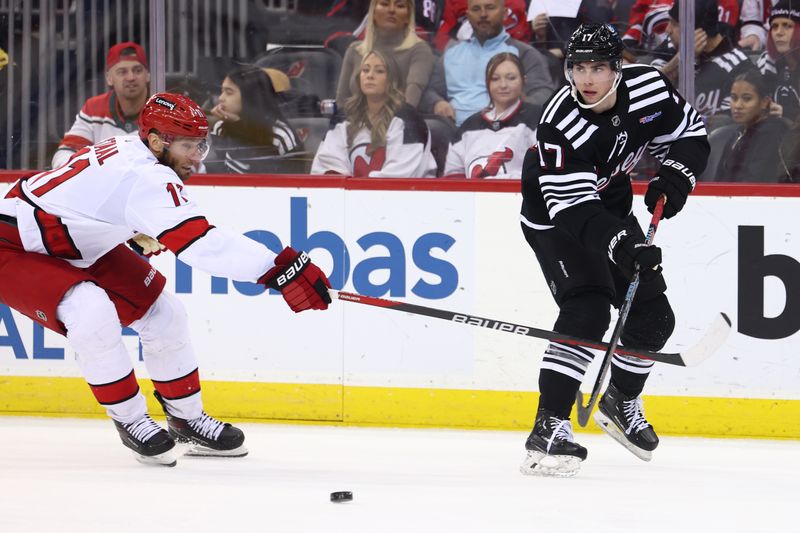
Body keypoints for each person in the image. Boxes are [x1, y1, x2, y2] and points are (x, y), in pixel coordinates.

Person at [0, 93, 331, 466]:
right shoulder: (147, 175)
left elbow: (85, 200)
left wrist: (127, 230)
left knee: (165, 314)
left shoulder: (135, 151)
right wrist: (282, 268)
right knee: (90, 312)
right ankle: (131, 421)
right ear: (156, 141)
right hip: (12, 246)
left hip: (74, 244)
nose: (196, 156)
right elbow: (202, 246)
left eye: (201, 145)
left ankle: (187, 419)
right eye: (188, 145)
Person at [519, 23, 709, 477]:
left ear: (617, 68)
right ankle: (549, 425)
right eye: (578, 67)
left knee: (654, 317)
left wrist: (675, 177)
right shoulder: (558, 122)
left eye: (598, 68)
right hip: (556, 219)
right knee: (588, 311)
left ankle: (621, 398)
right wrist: (623, 244)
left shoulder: (647, 86)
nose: (586, 78)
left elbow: (691, 132)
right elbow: (573, 210)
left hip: (610, 200)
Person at [421, 0, 555, 126]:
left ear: (504, 13)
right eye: (476, 9)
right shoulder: (450, 54)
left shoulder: (524, 53)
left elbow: (543, 94)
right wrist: (437, 103)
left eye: (490, 8)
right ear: (468, 16)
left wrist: (516, 110)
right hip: (454, 130)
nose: (483, 14)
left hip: (506, 130)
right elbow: (430, 90)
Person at [312, 50, 437, 177]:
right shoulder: (343, 118)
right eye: (365, 70)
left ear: (392, 79)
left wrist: (356, 190)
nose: (370, 76)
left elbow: (399, 178)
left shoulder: (409, 121)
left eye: (379, 71)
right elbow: (329, 166)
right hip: (351, 196)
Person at [52, 42, 150, 168]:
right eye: (122, 72)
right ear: (109, 78)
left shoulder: (163, 108)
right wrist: (81, 174)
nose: (131, 77)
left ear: (148, 75)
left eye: (137, 70)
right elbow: (65, 152)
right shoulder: (93, 108)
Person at [443, 52, 539, 179]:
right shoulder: (468, 127)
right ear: (487, 83)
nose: (503, 85)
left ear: (523, 80)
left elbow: (547, 171)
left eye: (511, 78)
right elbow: (453, 177)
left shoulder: (539, 119)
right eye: (495, 79)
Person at [658, 0, 754, 119]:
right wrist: (680, 59)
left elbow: (727, 126)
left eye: (675, 24)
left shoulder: (738, 66)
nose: (668, 30)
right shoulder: (671, 47)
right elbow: (645, 91)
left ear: (698, 32)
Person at [335, 0, 435, 109]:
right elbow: (341, 101)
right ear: (373, 13)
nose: (391, 10)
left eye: (400, 6)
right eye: (384, 4)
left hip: (399, 122)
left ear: (408, 16)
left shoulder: (419, 50)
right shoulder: (355, 50)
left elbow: (409, 104)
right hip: (353, 122)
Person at [206, 66, 304, 174]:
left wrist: (239, 127)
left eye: (229, 93)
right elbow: (214, 172)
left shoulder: (281, 135)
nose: (221, 98)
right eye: (222, 91)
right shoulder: (220, 127)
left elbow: (282, 180)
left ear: (250, 97)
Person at [716, 70, 790, 181]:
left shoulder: (772, 133)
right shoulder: (738, 132)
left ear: (765, 102)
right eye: (734, 98)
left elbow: (755, 181)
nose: (738, 105)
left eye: (747, 99)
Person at [756, 1, 800, 122]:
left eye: (787, 25)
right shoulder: (766, 60)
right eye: (774, 26)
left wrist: (787, 113)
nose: (779, 32)